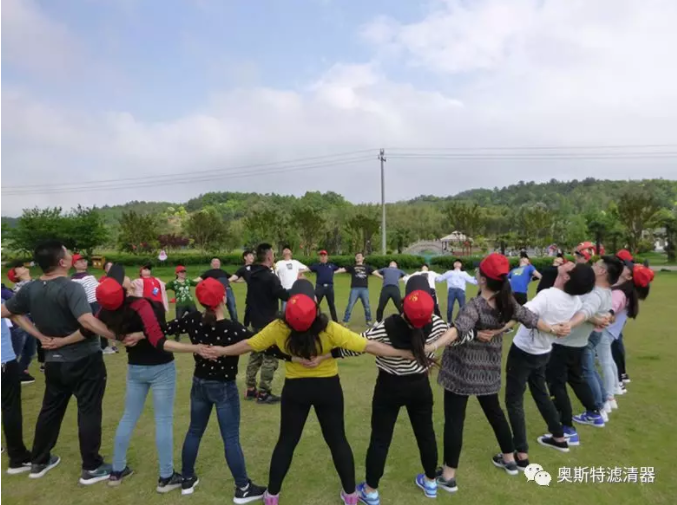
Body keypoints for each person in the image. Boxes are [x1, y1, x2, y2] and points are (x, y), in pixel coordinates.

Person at [201, 279, 414, 505]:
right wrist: (405, 353)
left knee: (286, 441)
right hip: (328, 389)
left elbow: (249, 345)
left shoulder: (278, 327)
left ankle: (272, 495)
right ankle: (350, 495)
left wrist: (221, 351)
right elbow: (369, 346)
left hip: (296, 390)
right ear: (314, 302)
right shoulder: (329, 328)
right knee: (338, 441)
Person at [334, 276, 475, 503]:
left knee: (380, 439)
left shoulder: (384, 327)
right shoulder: (438, 325)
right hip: (419, 387)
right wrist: (477, 332)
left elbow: (354, 346)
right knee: (426, 435)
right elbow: (461, 336)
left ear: (404, 301)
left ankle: (370, 491)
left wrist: (327, 353)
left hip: (388, 387)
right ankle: (430, 482)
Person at [431, 253, 564, 492]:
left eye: (479, 271)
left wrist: (432, 346)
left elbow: (457, 329)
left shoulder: (476, 306)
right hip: (487, 372)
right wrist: (553, 329)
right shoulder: (507, 302)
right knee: (495, 414)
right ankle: (510, 459)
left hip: (460, 373)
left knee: (454, 421)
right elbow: (532, 319)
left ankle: (449, 475)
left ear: (483, 279)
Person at [64, 265, 202, 493]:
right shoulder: (142, 305)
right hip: (160, 367)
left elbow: (87, 329)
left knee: (128, 417)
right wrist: (196, 348)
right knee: (163, 420)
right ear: (122, 290)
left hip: (136, 368)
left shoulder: (106, 311)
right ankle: (166, 476)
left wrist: (60, 342)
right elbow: (158, 338)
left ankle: (117, 471)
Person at [1, 240, 121, 484]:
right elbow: (86, 321)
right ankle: (91, 466)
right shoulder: (71, 288)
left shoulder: (31, 288)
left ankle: (39, 460)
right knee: (88, 410)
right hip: (84, 360)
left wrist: (40, 336)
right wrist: (118, 335)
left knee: (51, 409)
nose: (71, 256)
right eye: (67, 253)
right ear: (62, 262)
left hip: (54, 363)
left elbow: (8, 310)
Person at [163, 278, 268, 501]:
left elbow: (163, 329)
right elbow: (261, 343)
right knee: (230, 438)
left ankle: (187, 478)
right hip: (223, 387)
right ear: (223, 298)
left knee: (194, 431)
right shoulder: (233, 328)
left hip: (200, 383)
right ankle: (243, 488)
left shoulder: (193, 320)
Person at [504, 262, 595, 466]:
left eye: (571, 266)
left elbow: (522, 313)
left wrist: (500, 328)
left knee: (514, 400)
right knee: (541, 393)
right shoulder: (575, 300)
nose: (568, 262)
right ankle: (558, 437)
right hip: (543, 352)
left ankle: (521, 454)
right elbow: (584, 313)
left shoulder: (547, 296)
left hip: (523, 352)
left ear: (567, 277)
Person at [548, 256, 622, 439]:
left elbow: (585, 311)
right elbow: (587, 310)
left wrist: (570, 324)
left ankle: (566, 428)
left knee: (556, 383)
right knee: (576, 379)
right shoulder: (603, 292)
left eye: (596, 265)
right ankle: (593, 412)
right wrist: (596, 319)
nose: (592, 267)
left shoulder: (596, 294)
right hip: (577, 344)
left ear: (602, 271)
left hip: (565, 343)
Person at [243, 243, 290, 404]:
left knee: (255, 353)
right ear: (269, 257)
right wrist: (298, 291)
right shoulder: (270, 277)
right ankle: (264, 392)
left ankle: (250, 388)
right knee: (270, 356)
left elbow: (249, 298)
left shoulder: (252, 275)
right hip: (268, 323)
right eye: (273, 255)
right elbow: (283, 294)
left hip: (255, 320)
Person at [2, 302, 32, 475]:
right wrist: (40, 335)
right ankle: (18, 457)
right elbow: (13, 313)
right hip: (3, 361)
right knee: (10, 407)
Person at [72, 254, 118, 355]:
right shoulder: (75, 280)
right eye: (81, 261)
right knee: (96, 325)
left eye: (84, 261)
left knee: (104, 323)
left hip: (99, 302)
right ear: (75, 264)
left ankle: (104, 345)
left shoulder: (90, 276)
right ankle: (103, 346)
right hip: (91, 304)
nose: (84, 263)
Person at [6, 260, 38, 382]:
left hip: (33, 323)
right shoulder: (18, 287)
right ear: (16, 275)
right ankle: (8, 375)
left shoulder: (35, 282)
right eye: (18, 268)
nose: (22, 267)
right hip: (22, 323)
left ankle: (21, 372)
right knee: (16, 351)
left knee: (30, 351)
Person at [336, 253, 380, 327]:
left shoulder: (367, 267)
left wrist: (383, 277)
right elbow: (342, 270)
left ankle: (368, 321)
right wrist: (333, 272)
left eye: (360, 256)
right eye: (357, 256)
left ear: (363, 258)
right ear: (355, 258)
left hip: (364, 289)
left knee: (367, 306)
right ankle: (345, 321)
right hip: (354, 289)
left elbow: (375, 273)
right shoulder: (352, 267)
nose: (358, 257)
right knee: (350, 305)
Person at [166, 265, 198, 341]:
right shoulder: (173, 283)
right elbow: (162, 288)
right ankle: (177, 335)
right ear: (177, 273)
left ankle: (197, 333)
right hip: (180, 305)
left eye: (184, 272)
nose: (183, 273)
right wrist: (153, 292)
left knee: (196, 318)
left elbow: (198, 284)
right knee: (178, 320)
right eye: (181, 272)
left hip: (191, 303)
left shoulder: (188, 281)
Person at [275, 246, 309, 312]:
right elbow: (273, 272)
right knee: (285, 311)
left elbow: (307, 268)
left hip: (295, 289)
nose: (286, 250)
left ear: (291, 253)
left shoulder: (295, 262)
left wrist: (300, 272)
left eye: (288, 250)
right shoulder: (279, 263)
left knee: (295, 309)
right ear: (282, 254)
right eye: (285, 250)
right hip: (284, 290)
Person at [309, 250, 340, 322]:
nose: (323, 257)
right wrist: (300, 271)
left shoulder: (331, 266)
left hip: (329, 288)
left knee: (331, 305)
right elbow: (308, 268)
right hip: (320, 287)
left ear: (327, 257)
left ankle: (335, 321)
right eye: (321, 256)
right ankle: (311, 320)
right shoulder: (317, 266)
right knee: (315, 305)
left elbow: (340, 269)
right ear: (319, 258)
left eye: (324, 256)